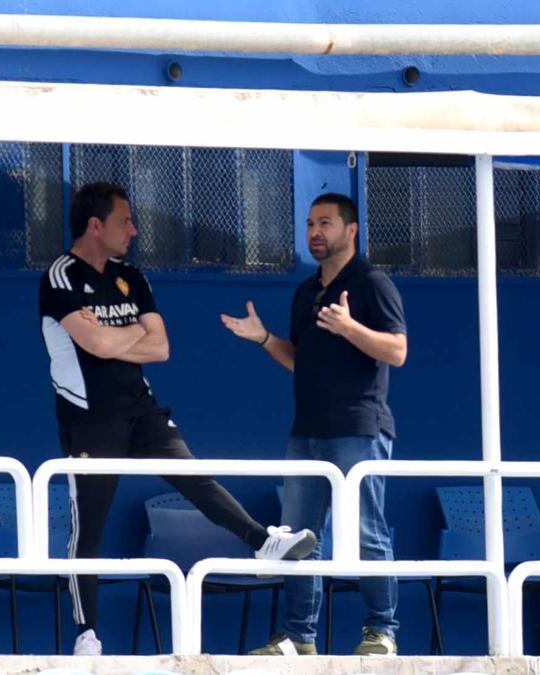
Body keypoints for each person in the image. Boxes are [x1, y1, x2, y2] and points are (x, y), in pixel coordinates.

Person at [38, 181, 317, 657]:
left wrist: (106, 334)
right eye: (125, 221)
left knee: (193, 475)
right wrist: (121, 337)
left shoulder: (133, 276)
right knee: (90, 525)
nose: (135, 230)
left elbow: (160, 347)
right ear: (94, 225)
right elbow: (101, 347)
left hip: (141, 408)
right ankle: (87, 633)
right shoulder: (61, 276)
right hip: (89, 417)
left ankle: (260, 541)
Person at [222, 192, 407, 657]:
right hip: (306, 431)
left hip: (359, 428)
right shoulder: (306, 292)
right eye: (309, 224)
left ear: (351, 230)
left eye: (325, 223)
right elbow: (300, 361)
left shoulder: (371, 282)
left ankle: (381, 631)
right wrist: (264, 338)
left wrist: (350, 328)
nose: (314, 233)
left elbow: (397, 352)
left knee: (367, 531)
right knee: (298, 537)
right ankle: (298, 637)